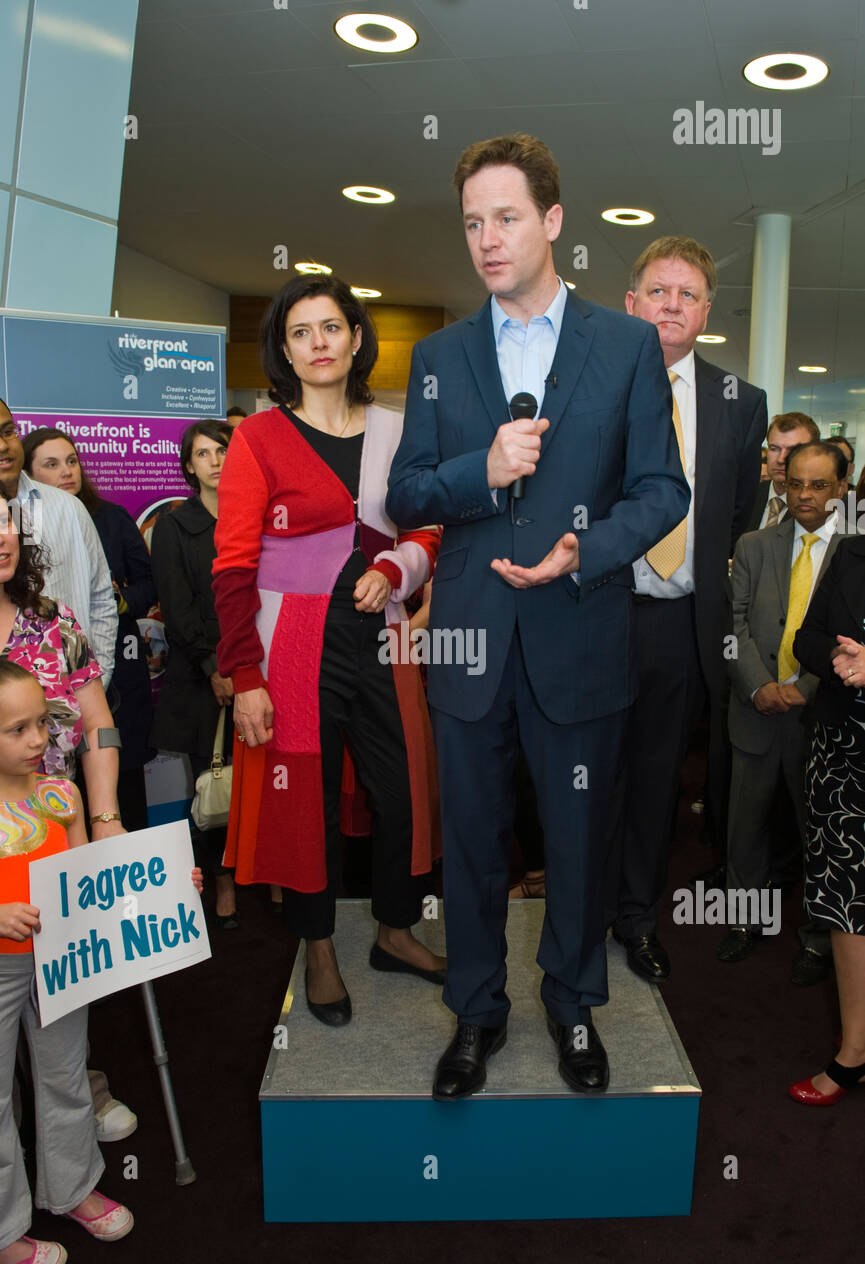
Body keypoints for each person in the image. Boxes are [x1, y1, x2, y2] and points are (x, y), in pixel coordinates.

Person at [386, 132, 689, 1100]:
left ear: (552, 222)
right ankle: (476, 1012)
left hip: (580, 629)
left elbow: (662, 490)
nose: (486, 238)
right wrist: (483, 472)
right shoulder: (438, 355)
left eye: (506, 217)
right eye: (472, 221)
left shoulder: (627, 343)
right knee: (471, 842)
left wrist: (584, 548)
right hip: (470, 643)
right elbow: (405, 491)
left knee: (575, 836)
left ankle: (570, 1001)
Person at [212, 274, 442, 1025]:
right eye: (301, 331)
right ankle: (317, 949)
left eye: (331, 327)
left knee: (403, 788)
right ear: (283, 349)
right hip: (292, 645)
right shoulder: (257, 437)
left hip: (385, 640)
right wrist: (244, 670)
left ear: (354, 338)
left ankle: (394, 931)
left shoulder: (397, 429)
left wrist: (392, 567)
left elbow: (426, 531)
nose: (318, 343)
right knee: (302, 805)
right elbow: (232, 565)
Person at [604, 237, 766, 983]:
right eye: (658, 291)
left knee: (656, 776)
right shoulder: (589, 385)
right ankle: (572, 913)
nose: (671, 305)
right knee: (580, 770)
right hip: (593, 613)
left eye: (687, 295)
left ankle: (635, 919)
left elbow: (739, 514)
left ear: (705, 312)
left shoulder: (742, 403)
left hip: (679, 623)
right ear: (630, 302)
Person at [0, 661, 135, 1264]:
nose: (36, 740)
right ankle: (5, 1233)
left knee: (64, 1071)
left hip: (61, 960)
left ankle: (73, 1186)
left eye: (42, 724)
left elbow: (94, 878)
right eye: (16, 729)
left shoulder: (61, 794)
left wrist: (156, 891)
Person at [721, 441, 850, 981]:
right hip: (756, 707)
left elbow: (853, 637)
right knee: (745, 824)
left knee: (819, 831)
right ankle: (745, 920)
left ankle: (821, 937)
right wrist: (759, 685)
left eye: (818, 485)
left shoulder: (856, 552)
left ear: (842, 487)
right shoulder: (754, 545)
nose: (803, 494)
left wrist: (807, 688)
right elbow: (734, 625)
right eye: (795, 482)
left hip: (823, 716)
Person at [21, 428, 156, 833]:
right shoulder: (24, 521)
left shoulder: (105, 517)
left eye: (72, 461)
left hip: (101, 678)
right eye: (51, 463)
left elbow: (110, 597)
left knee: (115, 794)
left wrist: (92, 676)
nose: (66, 471)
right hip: (34, 724)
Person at [149, 420, 240, 930]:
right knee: (215, 783)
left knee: (265, 780)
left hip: (258, 666)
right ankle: (222, 883)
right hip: (201, 675)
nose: (214, 460)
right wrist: (215, 668)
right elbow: (178, 609)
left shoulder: (257, 516)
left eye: (221, 450)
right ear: (189, 466)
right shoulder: (174, 525)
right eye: (202, 453)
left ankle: (264, 872)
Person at [789, 536, 865, 1104]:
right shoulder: (852, 553)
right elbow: (805, 638)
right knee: (846, 900)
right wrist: (840, 661)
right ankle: (855, 1049)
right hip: (844, 754)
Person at [0, 397, 117, 685]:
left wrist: (96, 680)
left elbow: (101, 598)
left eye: (7, 431)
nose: (3, 445)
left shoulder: (67, 507)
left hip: (74, 699)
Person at [745, 413, 819, 532]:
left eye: (793, 450)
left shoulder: (823, 507)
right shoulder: (747, 496)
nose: (781, 459)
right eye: (774, 448)